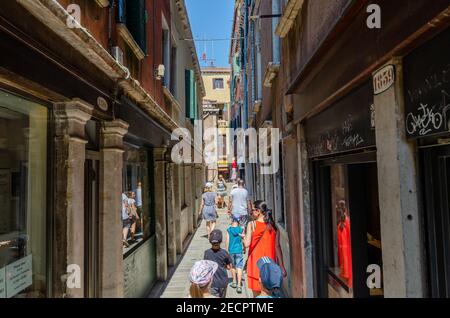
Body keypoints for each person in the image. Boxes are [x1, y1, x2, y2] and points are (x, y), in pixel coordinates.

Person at [243, 200, 287, 297]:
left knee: (257, 296)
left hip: (256, 264)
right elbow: (277, 247)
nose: (251, 213)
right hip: (270, 266)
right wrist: (282, 267)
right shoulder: (274, 226)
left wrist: (243, 237)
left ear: (258, 211)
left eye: (252, 210)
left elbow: (246, 244)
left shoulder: (252, 224)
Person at [203, 229, 232, 298]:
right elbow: (229, 267)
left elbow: (205, 266)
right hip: (223, 282)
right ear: (221, 241)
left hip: (212, 283)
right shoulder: (224, 253)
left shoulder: (207, 253)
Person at [225, 216, 244, 294]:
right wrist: (244, 248)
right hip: (239, 250)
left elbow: (227, 241)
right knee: (239, 267)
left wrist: (226, 251)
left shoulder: (229, 230)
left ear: (232, 221)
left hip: (231, 251)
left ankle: (234, 282)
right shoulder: (241, 229)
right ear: (238, 222)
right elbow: (243, 240)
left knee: (233, 266)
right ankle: (239, 285)